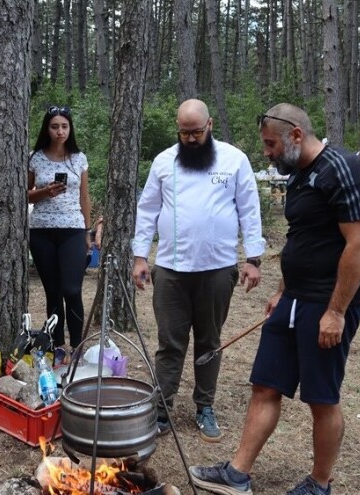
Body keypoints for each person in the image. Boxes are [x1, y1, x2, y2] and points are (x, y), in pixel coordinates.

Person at [189, 103, 360, 495]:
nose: (267, 153)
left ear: (295, 134)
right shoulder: (299, 175)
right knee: (265, 384)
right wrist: (281, 290)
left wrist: (336, 312)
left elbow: (359, 243)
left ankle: (319, 484)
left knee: (321, 398)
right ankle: (237, 474)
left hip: (326, 304)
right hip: (292, 300)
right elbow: (300, 239)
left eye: (271, 144)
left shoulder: (343, 169)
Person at [131, 99, 265, 443]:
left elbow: (249, 209)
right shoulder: (164, 162)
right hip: (171, 269)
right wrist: (140, 257)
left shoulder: (234, 160)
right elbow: (147, 210)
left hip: (217, 269)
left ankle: (205, 406)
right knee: (170, 342)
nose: (190, 139)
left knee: (210, 341)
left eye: (196, 132)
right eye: (184, 133)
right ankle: (162, 408)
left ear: (210, 126)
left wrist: (253, 258)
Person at [27, 105, 92, 364]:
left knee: (71, 289)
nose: (60, 131)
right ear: (47, 129)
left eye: (64, 126)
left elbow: (84, 197)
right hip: (41, 230)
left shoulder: (79, 158)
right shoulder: (35, 157)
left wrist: (87, 231)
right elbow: (23, 193)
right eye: (54, 127)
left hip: (73, 229)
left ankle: (77, 345)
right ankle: (58, 346)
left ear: (70, 129)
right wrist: (44, 192)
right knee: (53, 291)